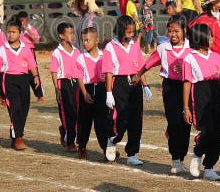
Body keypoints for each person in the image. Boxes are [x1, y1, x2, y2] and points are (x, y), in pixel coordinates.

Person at [137, 15, 192, 174]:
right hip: (170, 88)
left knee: (186, 125)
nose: (173, 34)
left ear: (184, 31)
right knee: (175, 123)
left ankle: (182, 158)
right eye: (170, 31)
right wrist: (137, 75)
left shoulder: (191, 48)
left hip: (188, 88)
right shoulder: (163, 48)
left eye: (176, 31)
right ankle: (175, 160)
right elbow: (148, 63)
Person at [182, 23, 220, 181]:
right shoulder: (189, 58)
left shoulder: (215, 56)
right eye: (209, 36)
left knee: (218, 131)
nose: (212, 39)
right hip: (200, 92)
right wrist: (186, 108)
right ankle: (197, 153)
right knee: (207, 129)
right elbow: (187, 83)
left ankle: (209, 167)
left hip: (215, 93)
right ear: (200, 37)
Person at [0, 19, 40, 150]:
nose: (10, 34)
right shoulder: (2, 50)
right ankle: (18, 137)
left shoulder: (26, 48)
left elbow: (32, 65)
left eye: (13, 32)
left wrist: (36, 76)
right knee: (15, 108)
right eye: (8, 32)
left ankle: (15, 135)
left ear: (20, 33)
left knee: (24, 108)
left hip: (23, 80)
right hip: (8, 80)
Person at [103, 15, 147, 165]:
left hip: (135, 83)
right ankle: (112, 140)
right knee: (120, 118)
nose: (131, 35)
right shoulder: (110, 47)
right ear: (121, 31)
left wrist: (145, 85)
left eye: (133, 31)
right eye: (128, 32)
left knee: (136, 119)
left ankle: (132, 154)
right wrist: (109, 92)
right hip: (119, 83)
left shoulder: (135, 45)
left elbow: (140, 66)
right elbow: (108, 71)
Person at [75, 27, 110, 159]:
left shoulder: (104, 56)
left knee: (102, 121)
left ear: (96, 40)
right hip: (87, 89)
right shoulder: (81, 58)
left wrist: (108, 92)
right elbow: (79, 77)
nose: (84, 43)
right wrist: (84, 94)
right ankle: (82, 146)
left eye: (87, 40)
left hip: (101, 89)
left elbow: (108, 75)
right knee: (85, 121)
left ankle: (106, 148)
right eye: (83, 40)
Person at [50, 22, 81, 152]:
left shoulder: (77, 51)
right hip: (64, 84)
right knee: (67, 113)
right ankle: (70, 142)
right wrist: (57, 89)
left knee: (78, 112)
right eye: (69, 33)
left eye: (73, 33)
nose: (72, 36)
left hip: (77, 84)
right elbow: (54, 72)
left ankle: (67, 132)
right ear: (62, 36)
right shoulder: (57, 52)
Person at [18, 11, 44, 101]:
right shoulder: (18, 31)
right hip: (20, 54)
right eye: (20, 21)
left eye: (23, 21)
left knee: (34, 73)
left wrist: (27, 30)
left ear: (27, 20)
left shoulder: (31, 29)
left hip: (30, 52)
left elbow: (36, 40)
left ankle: (39, 95)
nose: (22, 23)